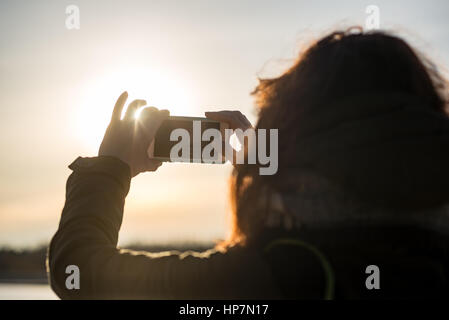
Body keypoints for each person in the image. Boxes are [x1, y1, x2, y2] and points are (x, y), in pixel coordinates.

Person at [48, 28, 449, 299]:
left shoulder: (278, 272)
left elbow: (79, 272)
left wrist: (110, 167)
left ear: (291, 127)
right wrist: (266, 163)